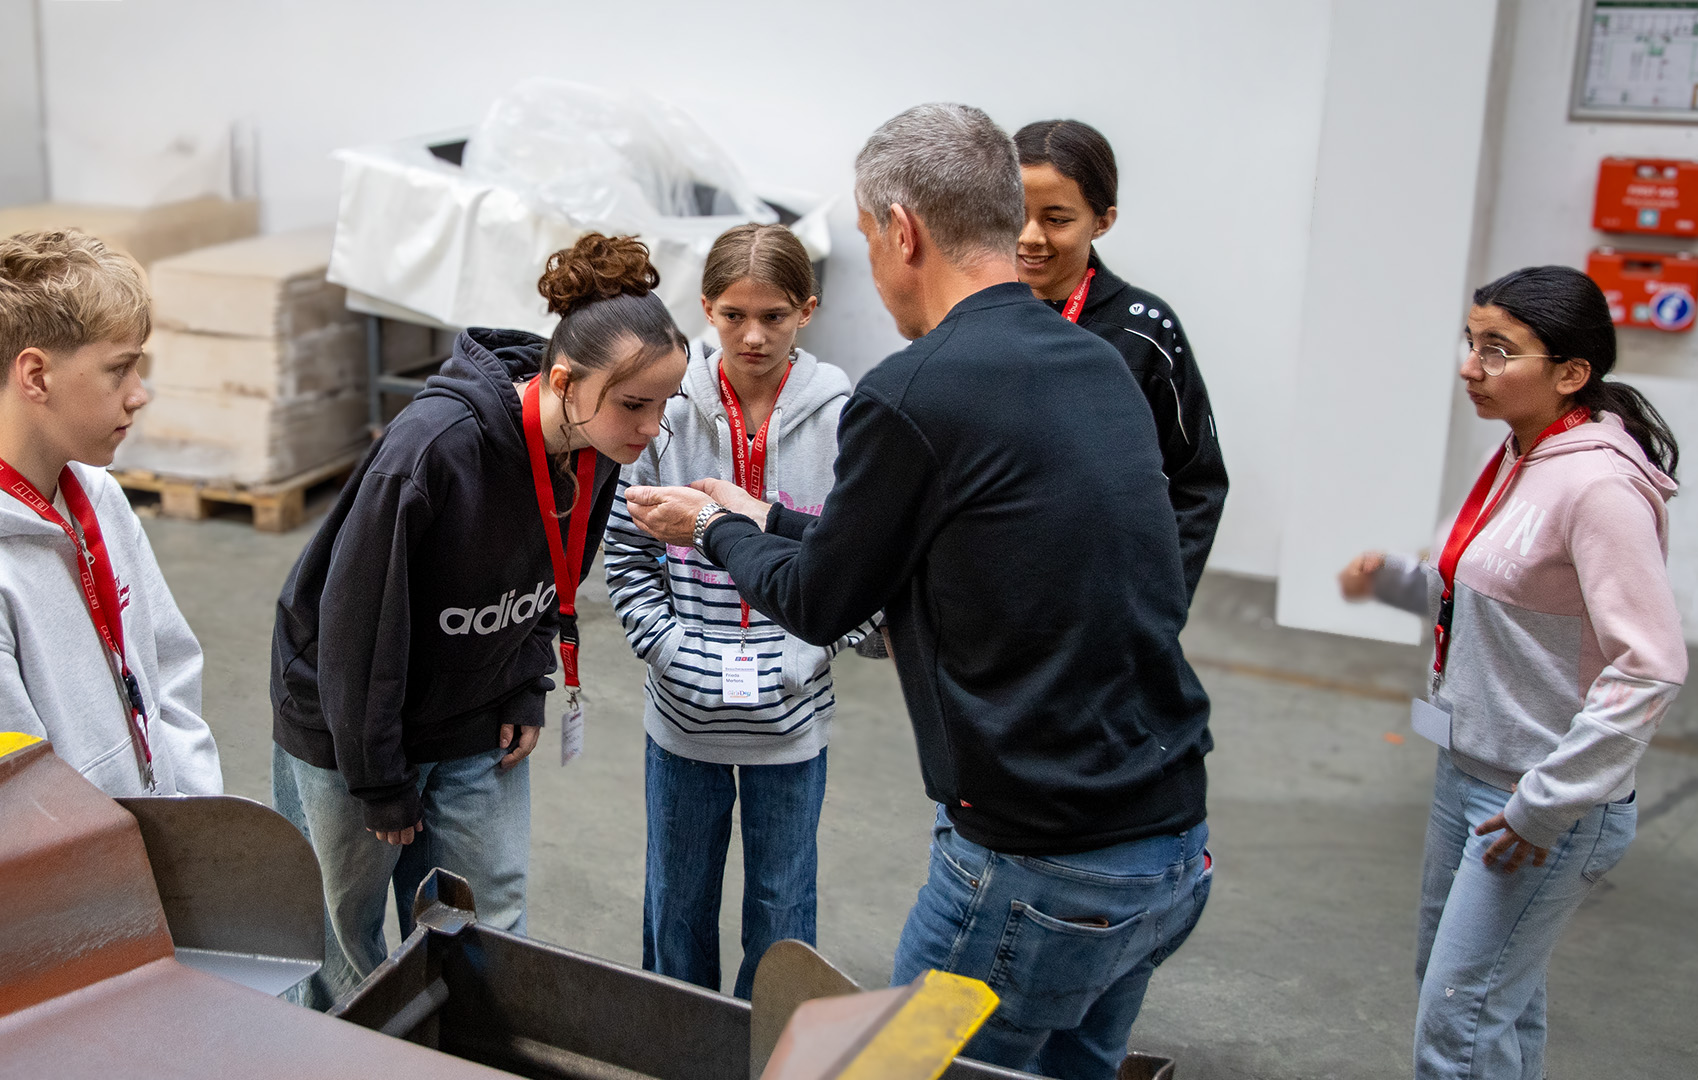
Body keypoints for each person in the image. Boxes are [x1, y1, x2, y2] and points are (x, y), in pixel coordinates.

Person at [624, 104, 1213, 1080]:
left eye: (865, 236)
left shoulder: (914, 390)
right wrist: (765, 519)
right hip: (1168, 852)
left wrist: (714, 526)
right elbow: (891, 556)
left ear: (902, 232)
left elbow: (820, 602)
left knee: (890, 1072)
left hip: (1035, 867)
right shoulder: (1098, 366)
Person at [269, 233, 688, 1001]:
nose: (650, 427)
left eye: (665, 404)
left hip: (471, 714)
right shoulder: (432, 450)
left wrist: (524, 688)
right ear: (563, 380)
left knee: (484, 921)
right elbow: (358, 629)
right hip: (351, 723)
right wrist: (381, 781)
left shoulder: (595, 453)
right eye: (635, 404)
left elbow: (550, 585)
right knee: (343, 940)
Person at [1339, 265, 1684, 1080]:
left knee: (1459, 1027)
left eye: (1499, 350)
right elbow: (1493, 587)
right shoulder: (1523, 452)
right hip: (1470, 773)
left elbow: (1651, 665)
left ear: (1571, 373)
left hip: (1535, 801)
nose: (1471, 366)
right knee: (1485, 1002)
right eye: (1471, 343)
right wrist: (1393, 578)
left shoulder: (1598, 485)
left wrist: (1544, 805)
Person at [604, 223, 865, 999]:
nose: (754, 335)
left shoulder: (846, 417)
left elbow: (859, 568)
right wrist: (677, 655)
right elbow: (627, 558)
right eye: (734, 316)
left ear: (807, 310)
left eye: (775, 316)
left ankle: (769, 1050)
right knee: (676, 908)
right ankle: (680, 1048)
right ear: (706, 309)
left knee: (783, 915)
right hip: (682, 719)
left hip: (791, 721)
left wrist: (806, 654)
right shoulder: (668, 412)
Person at [0, 229, 222, 797]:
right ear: (36, 376)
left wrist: (192, 820)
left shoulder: (98, 498)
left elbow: (169, 669)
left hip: (154, 856)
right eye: (120, 368)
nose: (139, 393)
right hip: (78, 881)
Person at [1013, 119, 1227, 600]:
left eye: (1057, 219)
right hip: (996, 602)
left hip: (1103, 604)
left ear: (1103, 220)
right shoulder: (970, 316)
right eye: (1014, 212)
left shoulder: (1145, 329)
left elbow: (1197, 483)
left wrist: (1158, 606)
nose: (1029, 236)